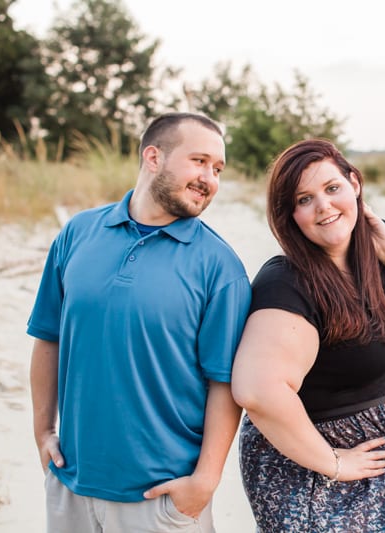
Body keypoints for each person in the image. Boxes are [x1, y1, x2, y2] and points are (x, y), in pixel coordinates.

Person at [27, 112, 251, 532]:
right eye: (199, 161)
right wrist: (43, 432)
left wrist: (205, 480)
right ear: (153, 156)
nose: (210, 178)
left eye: (218, 169)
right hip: (71, 484)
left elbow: (224, 382)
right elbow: (48, 338)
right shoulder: (78, 234)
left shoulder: (220, 267)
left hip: (162, 498)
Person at [231, 138, 385, 532]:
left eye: (332, 188)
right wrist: (334, 462)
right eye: (304, 199)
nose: (324, 207)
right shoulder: (287, 282)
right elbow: (258, 391)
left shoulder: (374, 245)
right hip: (329, 471)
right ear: (290, 216)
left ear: (354, 183)